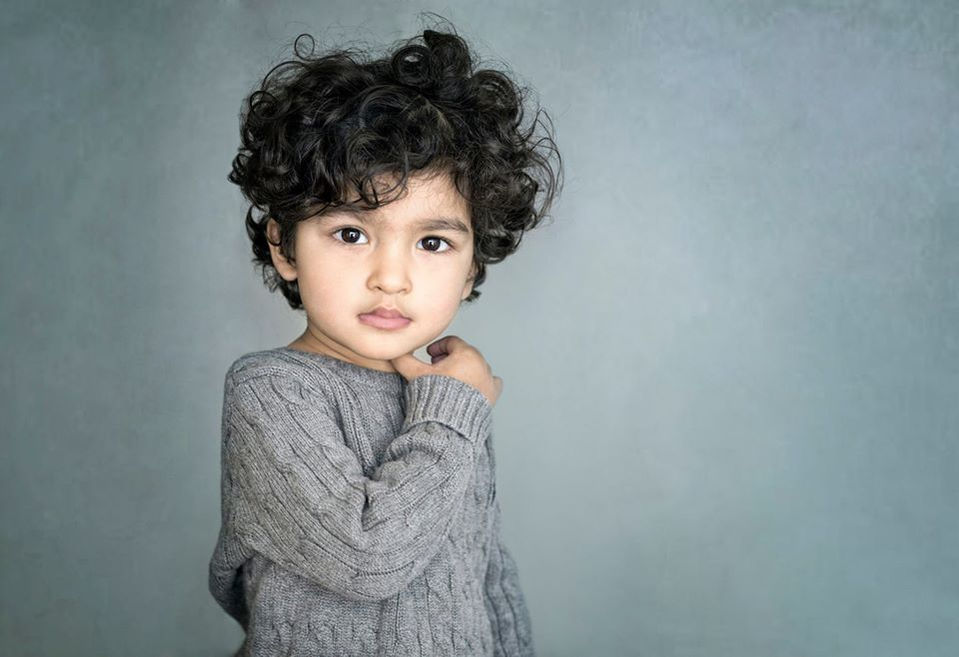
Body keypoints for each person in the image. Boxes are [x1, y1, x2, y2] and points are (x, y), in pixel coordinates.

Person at [208, 16, 562, 657]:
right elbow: (364, 558)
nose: (391, 278)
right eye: (351, 233)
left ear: (472, 267)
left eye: (433, 242)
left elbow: (486, 575)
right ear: (284, 245)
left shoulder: (443, 396)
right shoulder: (271, 393)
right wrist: (452, 419)